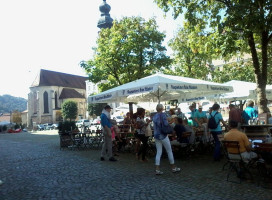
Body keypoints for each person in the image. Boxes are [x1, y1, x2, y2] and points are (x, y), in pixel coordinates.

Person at [152, 103, 181, 175]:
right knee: (169, 151)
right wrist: (171, 122)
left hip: (156, 135)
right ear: (162, 109)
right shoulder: (163, 115)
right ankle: (173, 167)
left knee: (159, 152)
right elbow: (165, 124)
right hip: (163, 135)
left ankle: (157, 169)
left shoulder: (154, 116)